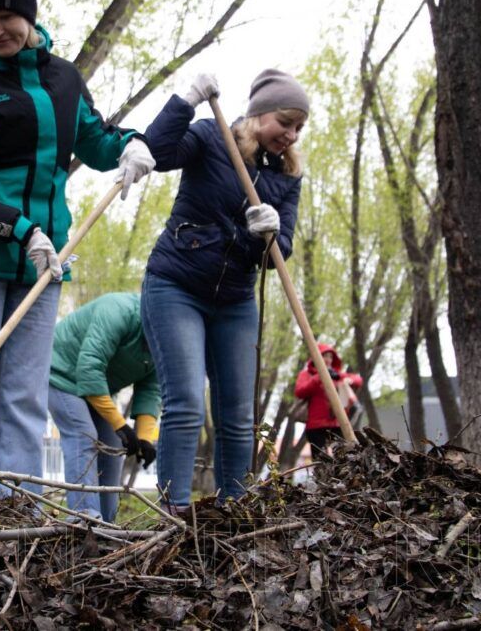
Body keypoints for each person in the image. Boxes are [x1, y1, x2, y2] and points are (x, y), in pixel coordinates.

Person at [0, 0, 156, 512]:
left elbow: (94, 140)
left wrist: (129, 145)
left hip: (45, 267)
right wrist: (21, 229)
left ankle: (16, 517)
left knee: (25, 399)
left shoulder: (62, 80)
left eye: (6, 17)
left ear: (28, 16)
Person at [140, 69, 309, 510]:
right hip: (176, 285)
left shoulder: (288, 179)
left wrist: (271, 233)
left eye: (298, 128)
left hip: (235, 300)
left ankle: (235, 514)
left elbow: (278, 253)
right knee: (186, 405)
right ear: (258, 115)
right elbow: (157, 153)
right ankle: (174, 513)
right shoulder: (212, 137)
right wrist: (185, 101)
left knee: (238, 417)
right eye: (284, 122)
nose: (290, 135)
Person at [47, 293, 160, 522]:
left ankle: (107, 526)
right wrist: (120, 424)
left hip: (95, 387)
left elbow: (150, 390)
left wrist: (144, 437)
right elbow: (89, 367)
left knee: (113, 449)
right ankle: (84, 519)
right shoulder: (118, 311)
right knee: (83, 436)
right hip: (60, 373)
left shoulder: (163, 343)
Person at [294, 343, 363, 460]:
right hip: (316, 425)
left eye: (331, 357)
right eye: (325, 356)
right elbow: (300, 392)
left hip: (338, 423)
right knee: (320, 461)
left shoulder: (336, 375)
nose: (328, 359)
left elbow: (358, 380)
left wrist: (347, 379)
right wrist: (319, 377)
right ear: (317, 357)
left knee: (343, 458)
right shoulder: (307, 374)